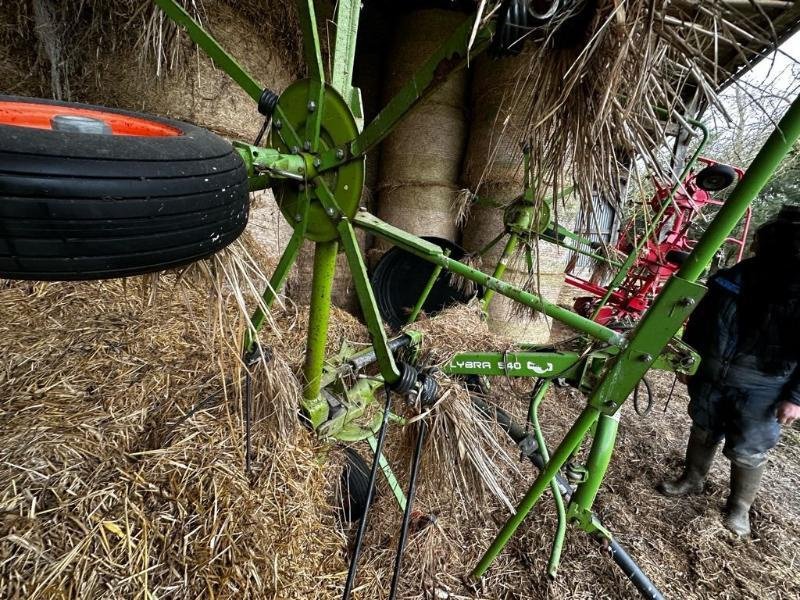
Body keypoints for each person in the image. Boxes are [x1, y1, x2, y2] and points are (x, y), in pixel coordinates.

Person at [658, 204, 800, 536]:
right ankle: (692, 479)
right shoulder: (730, 279)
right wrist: (687, 358)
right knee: (703, 426)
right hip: (712, 372)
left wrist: (795, 397)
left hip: (764, 385)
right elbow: (699, 323)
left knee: (749, 447)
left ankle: (738, 508)